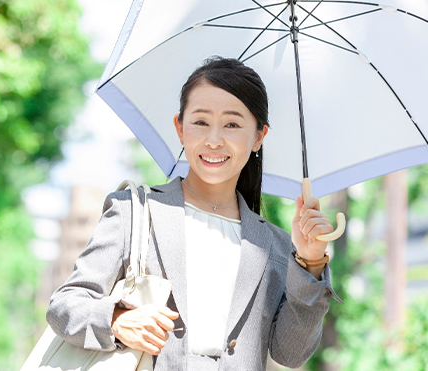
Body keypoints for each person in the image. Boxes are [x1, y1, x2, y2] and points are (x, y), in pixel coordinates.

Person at [46, 57, 341, 370]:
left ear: (258, 136)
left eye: (232, 124)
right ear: (180, 127)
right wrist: (117, 320)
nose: (213, 140)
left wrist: (310, 263)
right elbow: (65, 306)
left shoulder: (276, 245)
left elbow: (291, 354)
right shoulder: (134, 212)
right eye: (200, 122)